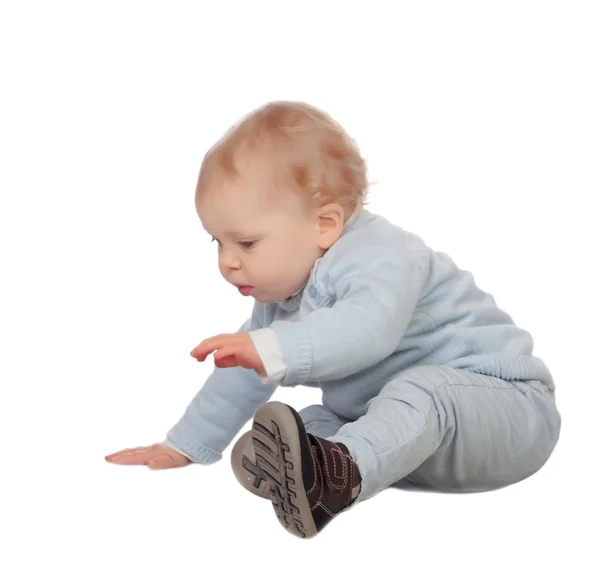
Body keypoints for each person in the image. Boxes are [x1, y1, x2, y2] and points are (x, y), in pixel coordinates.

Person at [105, 101, 561, 539]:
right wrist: (186, 443)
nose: (228, 262)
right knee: (317, 420)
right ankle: (310, 466)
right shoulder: (282, 295)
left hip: (503, 414)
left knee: (423, 390)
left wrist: (271, 348)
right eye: (216, 243)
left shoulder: (381, 254)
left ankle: (334, 477)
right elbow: (243, 374)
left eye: (245, 243)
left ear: (324, 224)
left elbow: (368, 330)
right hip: (414, 443)